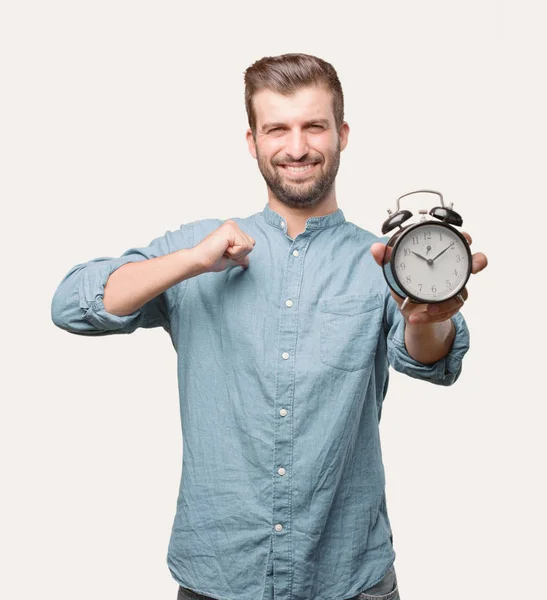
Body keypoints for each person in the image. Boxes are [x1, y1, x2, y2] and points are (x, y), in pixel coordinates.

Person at [51, 53, 488, 600]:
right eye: (277, 128)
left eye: (314, 126)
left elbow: (432, 361)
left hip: (349, 577)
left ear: (342, 134)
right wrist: (191, 262)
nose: (297, 147)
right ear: (253, 140)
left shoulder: (382, 259)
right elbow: (72, 304)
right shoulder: (201, 246)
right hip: (218, 576)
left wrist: (429, 316)